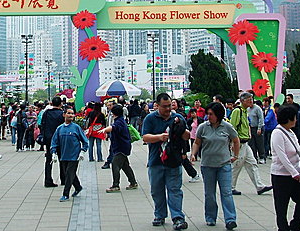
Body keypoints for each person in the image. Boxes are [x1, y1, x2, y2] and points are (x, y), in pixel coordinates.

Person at [142, 93, 189, 230]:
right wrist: (159, 137)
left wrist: (181, 129)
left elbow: (186, 136)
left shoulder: (178, 117)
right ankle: (160, 215)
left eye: (169, 106)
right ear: (157, 105)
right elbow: (145, 137)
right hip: (156, 160)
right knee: (157, 190)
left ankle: (178, 217)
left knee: (174, 189)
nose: (168, 109)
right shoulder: (150, 118)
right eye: (164, 106)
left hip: (174, 160)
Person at [191, 102, 240, 230]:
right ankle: (210, 217)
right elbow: (197, 142)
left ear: (218, 115)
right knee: (210, 193)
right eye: (208, 114)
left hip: (224, 165)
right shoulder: (203, 127)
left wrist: (235, 155)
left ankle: (230, 219)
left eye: (211, 114)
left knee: (226, 192)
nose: (208, 116)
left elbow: (236, 140)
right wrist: (193, 154)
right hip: (207, 165)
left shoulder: (227, 127)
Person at [271, 106, 300, 231]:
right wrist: (293, 172)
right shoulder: (277, 133)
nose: (296, 120)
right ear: (288, 119)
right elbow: (282, 156)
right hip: (281, 175)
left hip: (296, 173)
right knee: (282, 206)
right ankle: (283, 228)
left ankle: (295, 225)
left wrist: (297, 170)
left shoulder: (291, 132)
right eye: (294, 118)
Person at [229, 92, 273, 196]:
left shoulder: (245, 111)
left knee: (252, 164)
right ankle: (230, 187)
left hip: (245, 143)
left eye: (251, 99)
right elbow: (232, 127)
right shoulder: (237, 111)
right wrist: (233, 143)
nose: (251, 102)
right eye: (249, 100)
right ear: (243, 101)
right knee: (236, 166)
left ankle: (259, 186)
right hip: (239, 144)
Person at [51, 107, 88, 202]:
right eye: (68, 113)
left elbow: (85, 141)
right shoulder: (59, 129)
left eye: (72, 113)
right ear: (64, 115)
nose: (71, 115)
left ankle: (65, 194)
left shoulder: (76, 128)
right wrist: (53, 153)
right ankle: (78, 187)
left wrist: (82, 151)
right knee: (69, 173)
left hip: (74, 156)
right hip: (63, 155)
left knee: (68, 174)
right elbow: (54, 141)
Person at [99, 104, 138, 192]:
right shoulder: (121, 120)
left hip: (121, 147)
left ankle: (115, 185)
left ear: (114, 113)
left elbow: (113, 127)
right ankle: (133, 182)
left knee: (115, 164)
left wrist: (104, 130)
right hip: (122, 147)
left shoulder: (119, 122)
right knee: (125, 166)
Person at [41, 96, 65, 187]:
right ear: (60, 104)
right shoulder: (61, 114)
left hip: (49, 139)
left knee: (49, 159)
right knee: (61, 158)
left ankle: (48, 180)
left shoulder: (46, 113)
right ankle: (63, 179)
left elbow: (42, 125)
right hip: (59, 139)